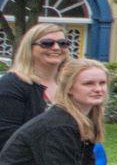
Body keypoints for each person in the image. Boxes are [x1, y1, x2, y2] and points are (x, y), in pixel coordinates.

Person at [0, 23, 68, 151]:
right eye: (47, 43)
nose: (56, 48)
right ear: (29, 48)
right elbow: (7, 138)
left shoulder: (70, 85)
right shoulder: (12, 84)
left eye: (63, 43)